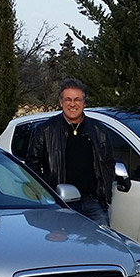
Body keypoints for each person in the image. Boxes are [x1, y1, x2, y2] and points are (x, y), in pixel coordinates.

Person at [25, 78, 115, 226]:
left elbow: (108, 163)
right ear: (61, 102)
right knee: (61, 249)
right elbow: (31, 167)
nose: (72, 104)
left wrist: (103, 192)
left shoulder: (99, 130)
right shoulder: (45, 130)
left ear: (84, 103)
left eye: (77, 99)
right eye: (68, 99)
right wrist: (47, 196)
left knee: (100, 246)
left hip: (93, 204)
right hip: (59, 205)